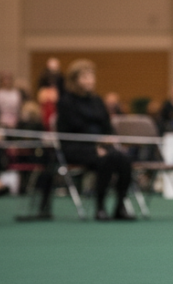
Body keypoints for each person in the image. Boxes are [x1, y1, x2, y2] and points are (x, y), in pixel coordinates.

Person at [56, 59, 135, 221]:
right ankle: (100, 207)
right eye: (85, 77)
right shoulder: (66, 102)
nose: (90, 80)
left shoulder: (97, 101)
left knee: (124, 159)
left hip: (102, 147)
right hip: (76, 148)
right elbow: (70, 131)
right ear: (74, 80)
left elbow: (107, 125)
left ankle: (120, 206)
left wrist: (108, 137)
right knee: (107, 159)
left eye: (91, 76)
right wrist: (94, 147)